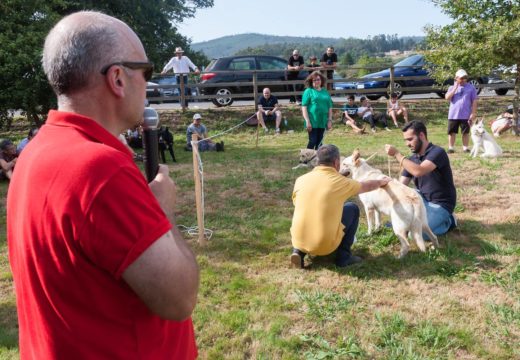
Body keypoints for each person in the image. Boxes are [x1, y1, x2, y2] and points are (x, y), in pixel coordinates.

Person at [7, 11, 199, 359]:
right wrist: (163, 211)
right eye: (147, 71)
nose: (149, 83)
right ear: (118, 79)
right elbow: (180, 298)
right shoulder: (100, 170)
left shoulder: (36, 151)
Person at [290, 144, 391, 268]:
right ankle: (344, 257)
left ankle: (297, 252)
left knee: (308, 211)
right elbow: (367, 186)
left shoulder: (301, 179)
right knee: (352, 208)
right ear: (337, 162)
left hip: (298, 240)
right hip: (325, 246)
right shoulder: (341, 183)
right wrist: (381, 181)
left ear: (318, 161)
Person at [384, 120, 457, 237]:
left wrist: (397, 154)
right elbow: (402, 185)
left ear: (421, 135)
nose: (407, 144)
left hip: (441, 204)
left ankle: (449, 221)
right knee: (402, 227)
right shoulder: (411, 159)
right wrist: (388, 183)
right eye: (405, 140)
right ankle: (415, 222)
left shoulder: (438, 152)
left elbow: (418, 171)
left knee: (417, 234)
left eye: (410, 139)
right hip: (422, 200)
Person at [445, 69, 478, 153]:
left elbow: (474, 101)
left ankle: (465, 148)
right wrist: (455, 88)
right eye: (461, 78)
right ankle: (451, 148)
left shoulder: (471, 88)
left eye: (465, 78)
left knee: (465, 132)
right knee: (452, 132)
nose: (463, 80)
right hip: (453, 115)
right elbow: (447, 98)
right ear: (456, 78)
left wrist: (473, 113)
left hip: (466, 114)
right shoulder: (451, 88)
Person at [302, 71, 333, 149]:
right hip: (312, 121)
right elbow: (304, 107)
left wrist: (329, 120)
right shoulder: (308, 91)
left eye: (318, 79)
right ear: (311, 81)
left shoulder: (325, 92)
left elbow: (329, 107)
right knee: (313, 141)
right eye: (314, 80)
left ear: (321, 80)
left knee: (319, 142)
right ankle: (306, 160)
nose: (317, 81)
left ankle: (318, 159)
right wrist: (307, 121)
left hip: (322, 121)